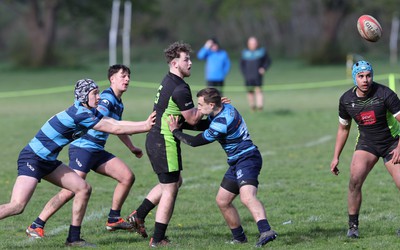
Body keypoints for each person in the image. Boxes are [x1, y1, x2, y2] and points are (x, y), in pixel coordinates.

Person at [0, 78, 155, 247]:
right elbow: (114, 128)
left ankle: (73, 239)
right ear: (83, 97)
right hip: (33, 158)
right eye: (94, 94)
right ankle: (43, 227)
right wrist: (145, 126)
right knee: (17, 206)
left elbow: (113, 122)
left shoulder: (88, 111)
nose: (98, 97)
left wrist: (144, 124)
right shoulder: (80, 114)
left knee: (83, 188)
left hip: (48, 160)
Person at [25, 65, 144, 239]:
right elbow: (105, 122)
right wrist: (142, 126)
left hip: (97, 150)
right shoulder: (106, 99)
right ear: (112, 79)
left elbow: (116, 127)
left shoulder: (118, 103)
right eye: (123, 76)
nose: (127, 79)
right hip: (83, 148)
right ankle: (37, 224)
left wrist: (132, 147)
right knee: (72, 189)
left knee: (127, 176)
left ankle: (113, 218)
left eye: (128, 76)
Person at [167, 87, 278, 247]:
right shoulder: (224, 108)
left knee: (247, 197)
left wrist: (176, 131)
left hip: (247, 158)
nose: (197, 109)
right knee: (222, 201)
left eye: (200, 105)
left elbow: (195, 142)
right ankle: (239, 238)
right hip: (236, 160)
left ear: (211, 105)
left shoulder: (222, 121)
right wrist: (182, 123)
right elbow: (205, 124)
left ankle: (266, 231)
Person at [126, 41, 204, 247]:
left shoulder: (169, 81)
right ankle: (157, 239)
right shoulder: (179, 87)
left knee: (174, 181)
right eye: (186, 59)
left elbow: (181, 120)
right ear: (174, 63)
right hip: (164, 142)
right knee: (170, 189)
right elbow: (193, 119)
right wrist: (210, 108)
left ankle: (139, 215)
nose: (191, 63)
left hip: (157, 139)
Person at [330, 60, 400, 238]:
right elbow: (343, 129)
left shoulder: (385, 94)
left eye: (368, 75)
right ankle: (353, 227)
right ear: (355, 78)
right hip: (367, 144)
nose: (365, 80)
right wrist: (335, 156)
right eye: (361, 76)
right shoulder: (346, 100)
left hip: (392, 142)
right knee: (354, 181)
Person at [240, 36, 272, 112]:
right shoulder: (245, 53)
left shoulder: (261, 52)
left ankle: (260, 107)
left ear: (257, 43)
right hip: (248, 76)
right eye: (251, 43)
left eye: (254, 43)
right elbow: (241, 65)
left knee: (258, 91)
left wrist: (264, 68)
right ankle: (252, 108)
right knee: (250, 92)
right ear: (248, 44)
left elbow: (268, 61)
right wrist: (245, 73)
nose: (253, 45)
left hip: (258, 76)